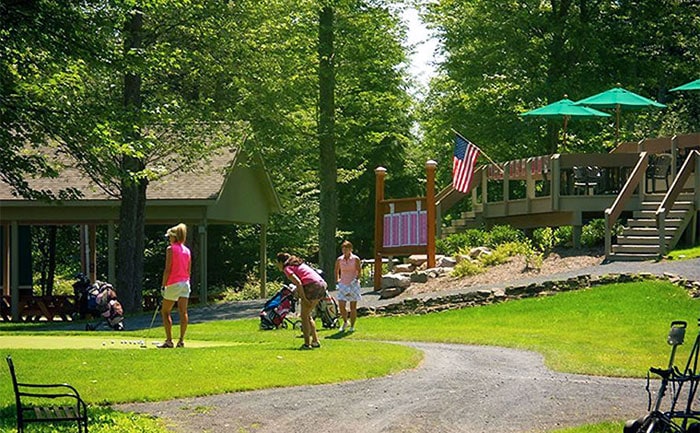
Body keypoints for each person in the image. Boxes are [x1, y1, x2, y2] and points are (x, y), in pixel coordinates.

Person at [276, 252, 326, 350]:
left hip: (312, 286)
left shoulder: (287, 268)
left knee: (304, 316)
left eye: (277, 263)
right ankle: (315, 341)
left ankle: (307, 344)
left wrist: (303, 298)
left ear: (281, 262)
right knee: (307, 315)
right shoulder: (297, 265)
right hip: (322, 284)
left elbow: (298, 282)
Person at [158, 223, 191, 348]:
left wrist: (163, 285)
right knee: (183, 312)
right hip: (185, 283)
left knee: (165, 311)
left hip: (174, 282)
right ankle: (181, 340)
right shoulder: (187, 250)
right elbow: (188, 269)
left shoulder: (170, 249)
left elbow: (168, 269)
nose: (169, 239)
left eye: (170, 237)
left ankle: (169, 340)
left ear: (174, 237)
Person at [334, 240, 361, 332]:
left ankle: (352, 326)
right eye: (343, 248)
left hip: (353, 284)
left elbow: (359, 271)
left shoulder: (355, 259)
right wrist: (338, 281)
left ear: (351, 249)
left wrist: (355, 280)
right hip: (343, 283)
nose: (345, 250)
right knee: (341, 305)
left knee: (353, 306)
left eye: (347, 248)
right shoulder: (339, 259)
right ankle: (345, 321)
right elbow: (336, 270)